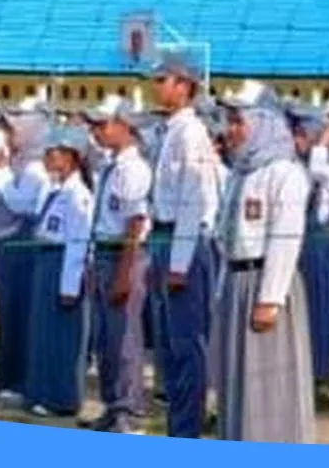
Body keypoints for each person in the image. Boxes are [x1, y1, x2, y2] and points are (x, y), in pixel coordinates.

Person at [214, 80, 315, 443]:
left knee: (270, 377)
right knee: (237, 375)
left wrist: (270, 299)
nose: (231, 131)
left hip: (266, 284)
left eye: (239, 121)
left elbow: (284, 241)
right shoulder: (240, 173)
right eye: (229, 121)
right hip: (238, 282)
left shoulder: (285, 173)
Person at [148, 50, 222, 438]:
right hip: (166, 235)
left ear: (184, 85)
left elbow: (196, 201)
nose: (156, 87)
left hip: (185, 241)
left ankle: (187, 426)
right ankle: (179, 420)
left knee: (187, 340)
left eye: (164, 80)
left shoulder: (191, 133)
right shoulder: (171, 130)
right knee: (170, 339)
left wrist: (179, 260)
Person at [83, 96, 153, 434]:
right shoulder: (109, 167)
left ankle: (129, 410)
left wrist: (125, 273)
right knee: (106, 338)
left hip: (124, 255)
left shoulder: (133, 168)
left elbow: (134, 223)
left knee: (124, 337)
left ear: (124, 126)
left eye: (102, 124)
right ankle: (112, 405)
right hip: (104, 252)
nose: (96, 131)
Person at [25, 124, 96, 418]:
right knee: (44, 333)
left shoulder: (78, 195)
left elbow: (78, 243)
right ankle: (43, 391)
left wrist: (69, 286)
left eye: (54, 153)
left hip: (62, 264)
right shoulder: (56, 189)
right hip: (47, 260)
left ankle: (63, 397)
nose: (48, 158)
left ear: (71, 157)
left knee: (63, 337)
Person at [0, 101, 50, 405]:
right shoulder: (20, 162)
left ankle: (20, 379)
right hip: (9, 244)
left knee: (19, 314)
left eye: (13, 129)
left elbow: (20, 204)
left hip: (21, 247)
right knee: (8, 314)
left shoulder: (36, 167)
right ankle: (9, 376)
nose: (8, 136)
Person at [289, 103, 329, 403]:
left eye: (300, 133)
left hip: (316, 242)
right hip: (300, 242)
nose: (294, 140)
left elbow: (314, 184)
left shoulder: (326, 163)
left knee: (318, 306)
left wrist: (321, 145)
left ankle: (321, 373)